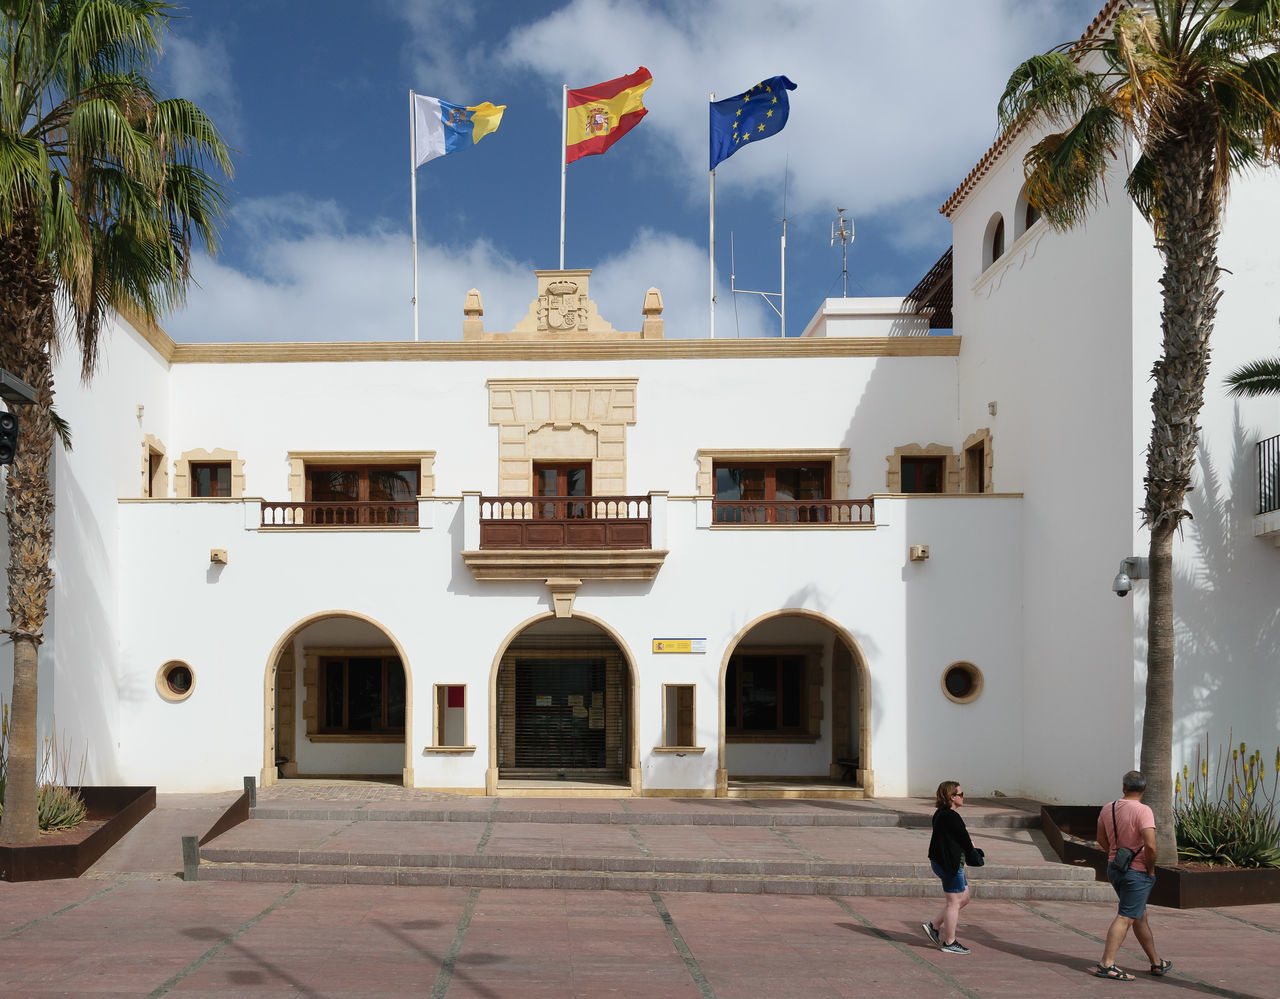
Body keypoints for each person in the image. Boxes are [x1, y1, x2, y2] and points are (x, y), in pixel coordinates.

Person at [1094, 770, 1172, 981]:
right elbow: (1151, 845)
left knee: (1139, 915)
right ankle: (1106, 964)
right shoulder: (1143, 811)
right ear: (1145, 789)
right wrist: (1151, 869)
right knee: (1126, 916)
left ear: (1123, 787)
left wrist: (1114, 854)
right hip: (1137, 872)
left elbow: (1101, 837)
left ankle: (1156, 962)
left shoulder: (1108, 808)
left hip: (1114, 868)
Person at [923, 780, 982, 955]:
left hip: (945, 862)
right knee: (954, 902)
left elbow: (951, 838)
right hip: (949, 864)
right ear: (952, 797)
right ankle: (950, 942)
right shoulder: (951, 816)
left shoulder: (941, 813)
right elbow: (964, 839)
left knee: (964, 898)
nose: (963, 798)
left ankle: (933, 926)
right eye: (961, 795)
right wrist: (974, 852)